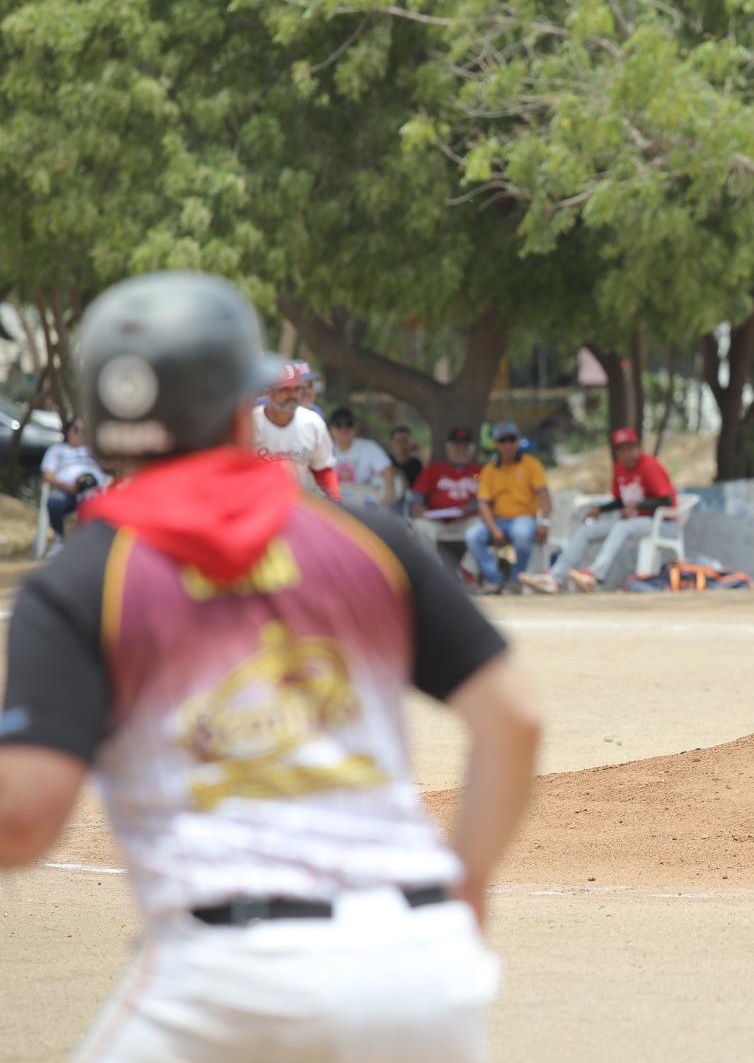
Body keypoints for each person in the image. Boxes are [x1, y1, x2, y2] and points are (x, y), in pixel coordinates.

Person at [0, 271, 541, 1062]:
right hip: (419, 968)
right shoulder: (368, 540)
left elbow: (23, 818)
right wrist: (467, 884)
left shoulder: (84, 581)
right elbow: (516, 718)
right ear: (235, 411)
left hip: (226, 975)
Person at [525, 427, 675, 593]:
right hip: (633, 522)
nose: (627, 453)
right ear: (616, 452)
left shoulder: (649, 465)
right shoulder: (619, 468)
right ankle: (554, 578)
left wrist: (637, 506)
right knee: (587, 531)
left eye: (630, 448)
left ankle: (593, 575)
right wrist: (601, 509)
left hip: (662, 523)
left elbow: (666, 500)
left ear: (638, 447)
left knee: (622, 526)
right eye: (621, 449)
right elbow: (621, 501)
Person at [464, 421, 551, 594]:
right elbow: (483, 504)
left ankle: (516, 580)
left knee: (522, 533)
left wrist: (544, 522)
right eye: (502, 440)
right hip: (498, 520)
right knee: (472, 536)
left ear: (518, 441)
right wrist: (494, 529)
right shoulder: (489, 469)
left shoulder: (531, 464)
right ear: (496, 444)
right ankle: (495, 580)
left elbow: (545, 496)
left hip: (524, 517)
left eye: (511, 440)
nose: (507, 445)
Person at [253, 362, 341, 500]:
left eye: (296, 389)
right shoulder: (251, 423)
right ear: (270, 393)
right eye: (285, 390)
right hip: (255, 504)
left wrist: (336, 502)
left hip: (295, 507)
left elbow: (323, 470)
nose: (292, 395)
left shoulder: (313, 423)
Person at [39, 416, 111, 551]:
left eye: (84, 431)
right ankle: (60, 540)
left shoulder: (91, 451)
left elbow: (111, 466)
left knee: (90, 489)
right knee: (54, 502)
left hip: (93, 489)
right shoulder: (56, 450)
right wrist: (69, 487)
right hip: (65, 490)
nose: (80, 434)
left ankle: (88, 544)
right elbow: (47, 476)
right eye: (76, 430)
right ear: (67, 431)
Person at [412, 426, 483, 557]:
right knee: (419, 525)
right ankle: (434, 571)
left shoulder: (479, 472)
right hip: (436, 522)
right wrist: (417, 506)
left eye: (465, 447)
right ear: (448, 449)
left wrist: (472, 506)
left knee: (481, 526)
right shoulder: (433, 470)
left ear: (472, 451)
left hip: (465, 521)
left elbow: (488, 498)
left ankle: (468, 572)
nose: (460, 451)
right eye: (456, 447)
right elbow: (418, 495)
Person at [328, 406, 399, 508]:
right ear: (331, 430)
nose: (344, 429)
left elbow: (387, 470)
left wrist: (388, 499)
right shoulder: (324, 450)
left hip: (364, 508)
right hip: (333, 508)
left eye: (349, 424)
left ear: (354, 429)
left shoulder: (368, 447)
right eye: (338, 425)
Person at [391, 424, 425, 491]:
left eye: (405, 441)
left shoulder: (416, 463)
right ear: (392, 443)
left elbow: (428, 473)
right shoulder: (386, 461)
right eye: (398, 441)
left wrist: (418, 450)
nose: (402, 445)